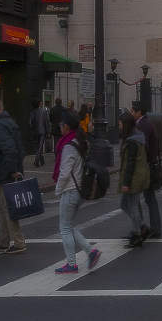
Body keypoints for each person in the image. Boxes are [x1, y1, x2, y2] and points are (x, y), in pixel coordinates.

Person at [52, 111, 101, 273]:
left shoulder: (68, 146)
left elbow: (65, 172)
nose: (59, 127)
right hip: (79, 190)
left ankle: (72, 263)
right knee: (69, 225)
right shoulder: (80, 141)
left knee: (64, 228)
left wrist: (57, 190)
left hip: (70, 190)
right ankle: (91, 252)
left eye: (61, 124)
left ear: (66, 126)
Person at [0, 98, 26, 254]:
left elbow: (9, 150)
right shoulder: (9, 122)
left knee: (7, 209)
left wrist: (6, 172)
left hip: (5, 173)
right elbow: (18, 148)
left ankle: (18, 241)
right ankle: (3, 240)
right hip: (9, 171)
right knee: (4, 209)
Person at [130, 101, 162, 239]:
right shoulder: (146, 123)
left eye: (133, 111)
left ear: (139, 112)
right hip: (148, 166)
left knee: (135, 198)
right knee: (149, 199)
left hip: (144, 168)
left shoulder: (142, 125)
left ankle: (142, 228)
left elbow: (142, 148)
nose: (132, 113)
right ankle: (152, 228)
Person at [118, 112, 152, 247]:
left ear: (125, 124)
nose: (119, 125)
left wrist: (126, 183)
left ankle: (137, 233)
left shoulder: (132, 141)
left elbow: (130, 164)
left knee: (131, 205)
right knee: (127, 204)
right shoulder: (137, 137)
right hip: (138, 176)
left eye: (120, 123)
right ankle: (142, 227)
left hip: (134, 178)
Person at [30, 100, 51, 168]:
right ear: (39, 104)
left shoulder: (32, 112)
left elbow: (30, 123)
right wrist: (48, 131)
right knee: (40, 147)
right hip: (42, 131)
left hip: (35, 132)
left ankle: (42, 160)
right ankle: (36, 161)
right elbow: (46, 122)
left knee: (38, 146)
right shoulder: (43, 111)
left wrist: (32, 128)